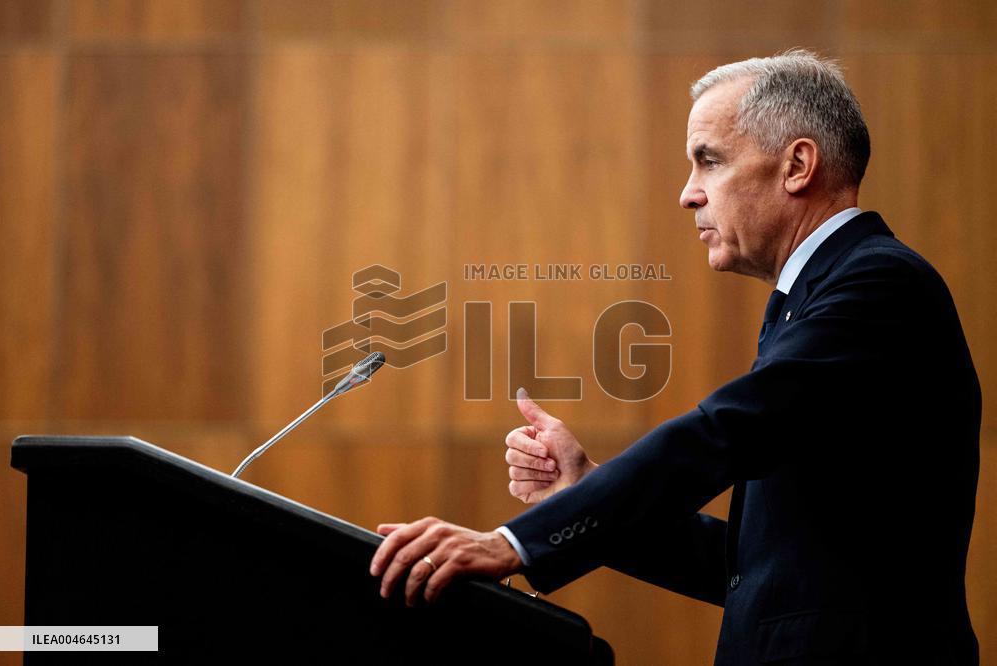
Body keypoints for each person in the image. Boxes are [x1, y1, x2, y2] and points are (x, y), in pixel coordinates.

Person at [369, 50, 981, 664]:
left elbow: (723, 431)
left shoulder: (879, 283)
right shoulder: (820, 294)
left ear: (797, 165)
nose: (688, 195)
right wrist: (583, 491)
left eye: (708, 162)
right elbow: (756, 570)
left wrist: (516, 544)